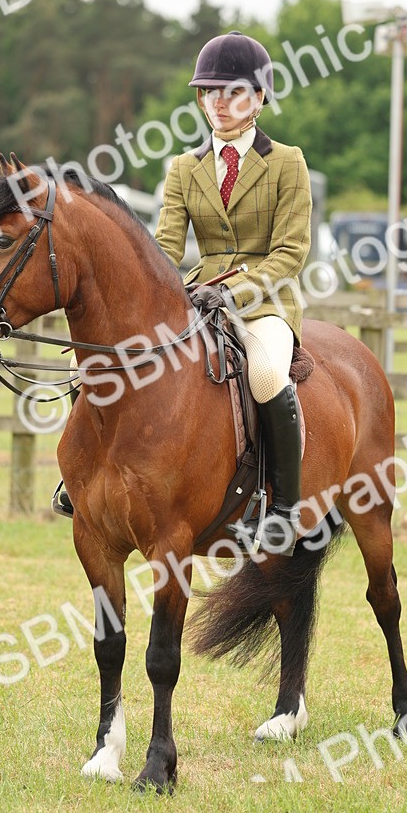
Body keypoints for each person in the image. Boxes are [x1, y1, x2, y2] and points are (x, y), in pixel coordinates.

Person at [154, 31, 312, 555]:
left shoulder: (287, 162)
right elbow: (166, 247)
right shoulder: (183, 168)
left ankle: (284, 509)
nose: (217, 103)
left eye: (231, 92)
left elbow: (290, 253)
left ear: (258, 97)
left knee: (264, 373)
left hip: (266, 299)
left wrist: (236, 293)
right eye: (208, 92)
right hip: (200, 296)